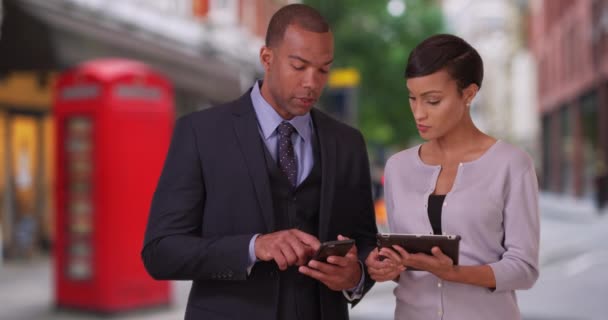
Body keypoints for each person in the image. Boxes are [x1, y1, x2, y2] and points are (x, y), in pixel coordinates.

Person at [141, 4, 377, 320]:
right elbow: (161, 252)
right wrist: (253, 247)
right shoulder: (200, 133)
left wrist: (356, 276)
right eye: (299, 66)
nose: (312, 82)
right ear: (267, 58)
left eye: (323, 69)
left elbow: (365, 242)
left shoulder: (347, 143)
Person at [365, 34, 540, 320]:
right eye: (412, 98)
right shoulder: (398, 168)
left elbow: (524, 269)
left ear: (469, 94)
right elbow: (403, 262)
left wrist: (456, 273)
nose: (419, 113)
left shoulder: (512, 164)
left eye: (433, 101)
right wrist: (386, 267)